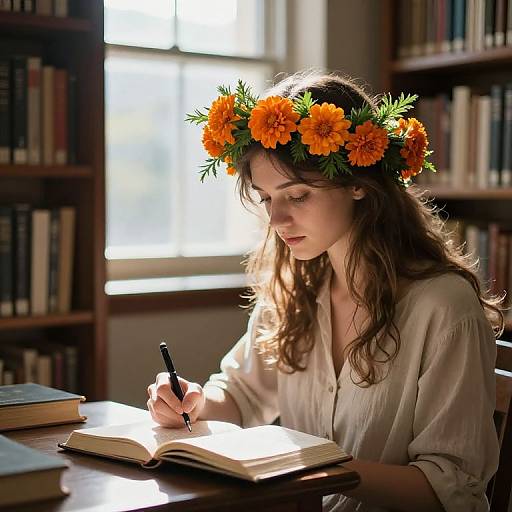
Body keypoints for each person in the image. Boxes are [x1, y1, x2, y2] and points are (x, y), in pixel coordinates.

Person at [146, 71, 504, 512]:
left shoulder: (442, 308)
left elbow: (450, 489)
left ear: (359, 183)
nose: (277, 220)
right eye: (266, 198)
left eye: (296, 196)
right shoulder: (295, 289)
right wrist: (192, 402)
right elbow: (241, 395)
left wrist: (313, 467)